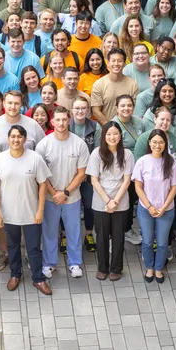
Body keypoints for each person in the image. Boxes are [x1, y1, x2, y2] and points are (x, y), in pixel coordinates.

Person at [0, 126, 51, 294]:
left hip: (31, 213)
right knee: (12, 246)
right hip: (8, 214)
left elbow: (43, 184)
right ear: (8, 139)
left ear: (25, 139)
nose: (16, 140)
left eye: (19, 136)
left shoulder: (35, 158)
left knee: (34, 247)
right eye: (13, 136)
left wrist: (40, 210)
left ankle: (38, 278)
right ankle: (15, 275)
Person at [36, 107, 90, 278]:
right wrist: (54, 193)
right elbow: (41, 174)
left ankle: (74, 263)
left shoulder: (79, 143)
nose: (61, 123)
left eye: (64, 119)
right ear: (52, 122)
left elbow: (81, 173)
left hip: (72, 197)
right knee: (49, 231)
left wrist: (65, 192)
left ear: (69, 120)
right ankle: (49, 263)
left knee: (74, 231)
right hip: (51, 198)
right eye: (57, 120)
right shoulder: (44, 145)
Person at [133, 129, 176, 283]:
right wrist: (149, 207)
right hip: (145, 209)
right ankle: (149, 267)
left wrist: (163, 207)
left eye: (161, 142)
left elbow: (174, 188)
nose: (157, 145)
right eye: (154, 142)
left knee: (162, 242)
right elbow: (138, 187)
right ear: (149, 143)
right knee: (148, 240)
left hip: (166, 210)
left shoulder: (171, 162)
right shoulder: (142, 161)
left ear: (165, 144)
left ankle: (159, 268)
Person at [87, 121, 134, 280]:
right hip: (101, 201)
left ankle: (116, 268)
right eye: (109, 134)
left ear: (120, 135)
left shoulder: (127, 154)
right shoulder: (96, 153)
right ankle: (102, 267)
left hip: (121, 201)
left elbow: (127, 181)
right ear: (104, 136)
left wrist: (115, 201)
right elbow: (94, 180)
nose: (112, 137)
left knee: (118, 236)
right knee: (101, 236)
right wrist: (108, 201)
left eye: (115, 133)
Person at [69, 96, 99, 252]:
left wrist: (89, 173)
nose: (80, 111)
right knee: (68, 205)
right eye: (77, 108)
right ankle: (64, 235)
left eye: (83, 108)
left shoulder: (95, 126)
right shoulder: (66, 126)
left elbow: (98, 152)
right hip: (69, 174)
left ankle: (88, 233)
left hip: (88, 174)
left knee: (88, 204)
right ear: (72, 110)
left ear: (88, 110)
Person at [91, 48, 140, 125]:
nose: (116, 64)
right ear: (108, 63)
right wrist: (110, 127)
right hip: (106, 129)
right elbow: (96, 111)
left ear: (124, 63)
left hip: (128, 128)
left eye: (119, 61)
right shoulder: (99, 84)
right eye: (113, 61)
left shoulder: (133, 84)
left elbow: (136, 109)